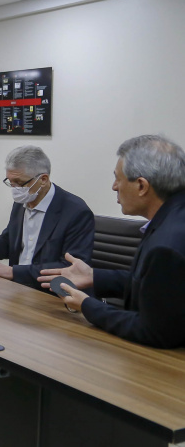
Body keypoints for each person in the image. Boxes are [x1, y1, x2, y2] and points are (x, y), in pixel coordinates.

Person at [39, 135, 185, 348]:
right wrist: (94, 276)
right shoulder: (175, 217)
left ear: (142, 186)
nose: (114, 186)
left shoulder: (167, 244)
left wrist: (87, 305)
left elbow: (154, 332)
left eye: (118, 178)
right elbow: (159, 286)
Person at [0, 146, 94, 289]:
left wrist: (14, 272)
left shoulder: (75, 212)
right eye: (10, 182)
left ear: (43, 179)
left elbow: (70, 268)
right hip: (17, 289)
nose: (15, 189)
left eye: (19, 183)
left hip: (52, 293)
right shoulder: (22, 202)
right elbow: (10, 243)